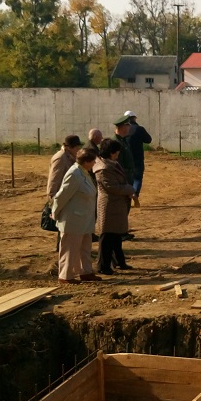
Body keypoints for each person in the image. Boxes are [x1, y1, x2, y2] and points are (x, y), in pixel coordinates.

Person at [51, 149, 101, 284]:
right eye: (92, 161)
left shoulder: (83, 172)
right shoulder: (74, 174)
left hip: (84, 219)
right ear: (86, 162)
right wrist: (55, 213)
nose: (94, 163)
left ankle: (85, 272)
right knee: (70, 249)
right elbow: (62, 196)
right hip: (73, 219)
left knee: (84, 247)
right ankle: (65, 276)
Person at [94, 138, 136, 273]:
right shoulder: (103, 168)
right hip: (110, 205)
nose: (118, 154)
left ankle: (119, 261)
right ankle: (103, 266)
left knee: (116, 235)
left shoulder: (109, 163)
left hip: (116, 205)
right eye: (117, 152)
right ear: (112, 152)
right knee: (107, 237)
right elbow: (112, 187)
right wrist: (130, 189)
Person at [112, 114, 137, 240]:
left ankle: (122, 230)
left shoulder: (122, 141)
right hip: (122, 180)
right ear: (123, 127)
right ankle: (119, 232)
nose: (129, 128)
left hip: (127, 178)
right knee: (120, 207)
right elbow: (117, 165)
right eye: (128, 126)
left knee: (125, 206)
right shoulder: (116, 143)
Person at [123, 110, 152, 208]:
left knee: (126, 178)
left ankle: (126, 198)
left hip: (125, 158)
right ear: (134, 118)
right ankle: (135, 194)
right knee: (137, 178)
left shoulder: (123, 129)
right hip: (138, 158)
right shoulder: (139, 129)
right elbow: (148, 140)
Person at [47, 135, 82, 200]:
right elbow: (54, 178)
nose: (78, 150)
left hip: (67, 193)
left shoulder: (70, 156)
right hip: (61, 196)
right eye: (76, 148)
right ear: (69, 147)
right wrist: (52, 197)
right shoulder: (60, 158)